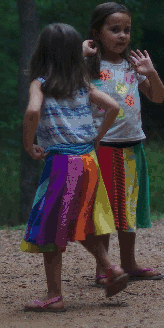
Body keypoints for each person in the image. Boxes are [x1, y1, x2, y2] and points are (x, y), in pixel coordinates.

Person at [20, 23, 130, 312]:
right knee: (79, 221)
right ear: (73, 55)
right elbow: (113, 106)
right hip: (88, 161)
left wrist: (28, 144)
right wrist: (96, 137)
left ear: (41, 53)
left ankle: (54, 296)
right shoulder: (82, 82)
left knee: (52, 229)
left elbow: (33, 111)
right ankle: (111, 269)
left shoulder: (40, 84)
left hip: (61, 165)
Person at [82, 2, 164, 286]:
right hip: (102, 145)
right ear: (97, 31)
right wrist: (78, 55)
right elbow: (58, 78)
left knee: (129, 206)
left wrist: (151, 72)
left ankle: (128, 264)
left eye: (126, 30)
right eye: (114, 29)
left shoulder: (133, 65)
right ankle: (104, 268)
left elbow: (158, 97)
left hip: (132, 145)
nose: (122, 36)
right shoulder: (88, 67)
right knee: (103, 209)